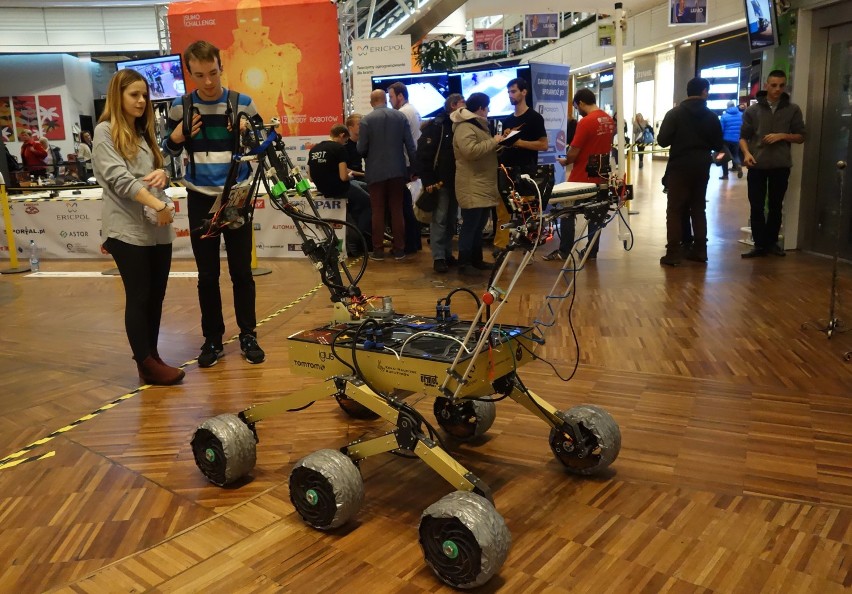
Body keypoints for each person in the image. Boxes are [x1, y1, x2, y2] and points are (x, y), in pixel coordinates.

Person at [165, 40, 265, 368]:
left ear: (221, 67)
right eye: (199, 75)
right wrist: (176, 137)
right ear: (189, 74)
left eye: (213, 73)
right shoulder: (180, 108)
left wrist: (249, 133)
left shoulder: (244, 104)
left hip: (234, 195)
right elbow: (168, 151)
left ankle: (248, 334)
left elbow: (263, 147)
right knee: (207, 275)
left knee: (241, 271)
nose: (208, 82)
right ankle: (213, 339)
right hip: (198, 196)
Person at [92, 68, 183, 386]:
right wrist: (157, 204)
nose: (142, 100)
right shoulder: (105, 132)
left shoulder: (143, 133)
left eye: (145, 95)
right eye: (135, 94)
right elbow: (119, 179)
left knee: (156, 296)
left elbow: (154, 174)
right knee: (140, 295)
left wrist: (163, 176)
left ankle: (152, 356)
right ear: (118, 96)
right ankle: (144, 362)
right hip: (128, 230)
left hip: (157, 229)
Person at [657, 77, 724, 266]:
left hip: (679, 167)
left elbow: (662, 140)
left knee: (675, 210)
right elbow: (718, 144)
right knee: (698, 208)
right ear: (704, 91)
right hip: (702, 166)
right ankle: (700, 250)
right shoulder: (711, 116)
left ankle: (673, 253)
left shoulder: (675, 114)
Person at [739, 70, 806, 258]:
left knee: (776, 205)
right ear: (766, 85)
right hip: (757, 164)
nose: (777, 89)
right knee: (757, 205)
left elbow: (801, 136)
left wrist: (782, 135)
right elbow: (743, 137)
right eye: (774, 85)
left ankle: (771, 242)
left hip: (780, 164)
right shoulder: (753, 110)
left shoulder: (792, 109)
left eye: (781, 85)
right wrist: (746, 154)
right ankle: (759, 244)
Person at [549, 89, 615, 261]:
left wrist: (566, 160)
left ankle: (565, 251)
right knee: (596, 214)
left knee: (567, 211)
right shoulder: (608, 120)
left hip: (581, 176)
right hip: (601, 175)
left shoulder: (586, 122)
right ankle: (591, 251)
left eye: (576, 106)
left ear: (581, 103)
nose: (577, 110)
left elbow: (574, 151)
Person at [357, 89, 417, 261]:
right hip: (398, 171)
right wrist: (414, 169)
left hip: (375, 172)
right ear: (385, 100)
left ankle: (378, 250)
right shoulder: (400, 117)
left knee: (378, 211)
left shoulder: (366, 121)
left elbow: (361, 149)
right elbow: (410, 147)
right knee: (397, 210)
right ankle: (399, 249)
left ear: (371, 102)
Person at [451, 92, 503, 276]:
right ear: (480, 108)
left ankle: (476, 259)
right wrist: (493, 141)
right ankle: (464, 263)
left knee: (478, 225)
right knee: (470, 225)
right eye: (487, 107)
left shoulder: (476, 125)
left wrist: (498, 143)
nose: (488, 111)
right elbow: (470, 152)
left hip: (481, 183)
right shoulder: (465, 127)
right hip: (471, 184)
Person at [496, 77, 548, 253]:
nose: (510, 95)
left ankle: (529, 245)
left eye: (513, 91)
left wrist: (519, 142)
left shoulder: (535, 118)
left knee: (528, 211)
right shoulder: (507, 120)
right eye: (509, 92)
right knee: (503, 211)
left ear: (524, 92)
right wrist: (504, 140)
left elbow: (543, 145)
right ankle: (500, 247)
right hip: (507, 169)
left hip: (527, 170)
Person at [417, 93, 465, 273]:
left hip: (457, 181)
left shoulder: (460, 126)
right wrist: (428, 179)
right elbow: (424, 155)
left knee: (451, 219)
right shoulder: (437, 126)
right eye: (462, 104)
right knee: (440, 219)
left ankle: (446, 253)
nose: (465, 107)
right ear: (453, 105)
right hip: (440, 182)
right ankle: (438, 257)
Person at [308, 124, 372, 255]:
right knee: (370, 203)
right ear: (342, 136)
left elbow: (311, 178)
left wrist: (362, 174)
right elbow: (343, 176)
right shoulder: (339, 149)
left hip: (324, 188)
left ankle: (356, 235)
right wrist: (348, 177)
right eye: (346, 140)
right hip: (339, 188)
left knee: (362, 185)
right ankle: (356, 238)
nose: (345, 143)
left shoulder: (314, 149)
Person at [388, 81, 423, 254]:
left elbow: (400, 143)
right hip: (412, 163)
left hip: (407, 164)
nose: (390, 101)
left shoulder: (402, 114)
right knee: (407, 205)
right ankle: (415, 242)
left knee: (404, 206)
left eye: (391, 97)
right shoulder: (413, 110)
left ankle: (410, 243)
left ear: (400, 96)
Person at [720, 100, 744, 179]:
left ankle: (725, 175)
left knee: (724, 157)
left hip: (726, 139)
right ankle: (738, 165)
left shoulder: (724, 116)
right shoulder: (741, 115)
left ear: (727, 107)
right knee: (735, 154)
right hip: (737, 139)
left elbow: (721, 129)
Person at [343, 113, 364, 180]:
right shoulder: (344, 145)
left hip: (361, 176)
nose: (362, 127)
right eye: (359, 124)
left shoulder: (362, 143)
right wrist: (363, 174)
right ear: (350, 128)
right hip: (351, 178)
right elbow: (344, 169)